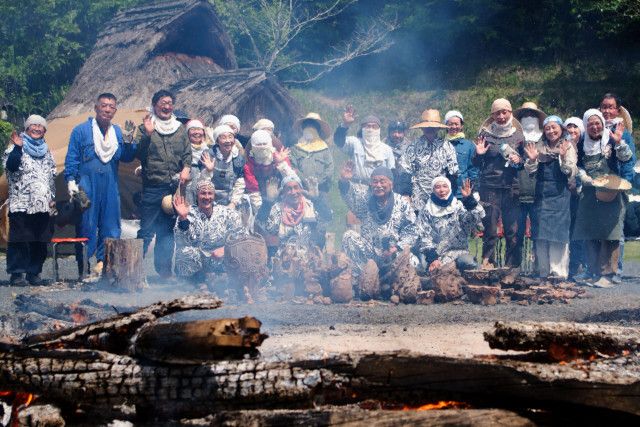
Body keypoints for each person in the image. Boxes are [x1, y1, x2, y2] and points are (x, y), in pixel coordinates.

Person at [65, 93, 138, 275]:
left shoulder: (118, 133)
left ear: (115, 110)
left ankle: (106, 268)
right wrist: (70, 181)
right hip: (85, 185)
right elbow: (72, 157)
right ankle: (84, 269)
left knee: (111, 225)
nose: (107, 109)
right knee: (85, 224)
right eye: (104, 105)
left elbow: (127, 157)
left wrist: (129, 141)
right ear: (96, 107)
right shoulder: (81, 130)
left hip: (110, 185)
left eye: (111, 106)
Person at [573, 109, 634, 287]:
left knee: (610, 234)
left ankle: (609, 274)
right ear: (586, 125)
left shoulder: (613, 139)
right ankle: (593, 272)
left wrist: (618, 142)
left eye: (597, 122)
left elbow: (626, 159)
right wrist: (583, 176)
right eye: (590, 123)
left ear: (602, 123)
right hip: (590, 192)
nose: (594, 126)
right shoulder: (581, 143)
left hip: (612, 191)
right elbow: (577, 165)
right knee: (591, 233)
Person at [134, 89, 191, 278]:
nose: (166, 106)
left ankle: (164, 271)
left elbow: (187, 154)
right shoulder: (146, 127)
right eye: (162, 102)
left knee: (166, 231)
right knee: (147, 229)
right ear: (155, 105)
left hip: (172, 188)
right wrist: (148, 135)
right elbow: (138, 154)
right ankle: (133, 271)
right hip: (152, 186)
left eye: (169, 103)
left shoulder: (179, 128)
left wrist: (186, 167)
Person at [3, 115, 56, 285]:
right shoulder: (15, 148)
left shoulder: (47, 151)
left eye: (41, 126)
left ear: (45, 131)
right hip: (22, 203)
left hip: (43, 204)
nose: (37, 128)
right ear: (26, 128)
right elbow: (11, 167)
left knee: (39, 240)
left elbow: (51, 177)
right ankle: (17, 274)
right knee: (20, 239)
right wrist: (18, 148)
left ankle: (34, 273)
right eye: (33, 125)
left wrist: (52, 198)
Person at [523, 116, 577, 279]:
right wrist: (532, 160)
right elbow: (530, 171)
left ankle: (558, 273)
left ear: (561, 129)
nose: (551, 131)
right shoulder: (539, 147)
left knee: (558, 236)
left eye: (554, 127)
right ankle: (543, 272)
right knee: (540, 235)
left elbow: (570, 172)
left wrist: (561, 157)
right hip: (541, 196)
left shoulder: (567, 146)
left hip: (560, 195)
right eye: (547, 128)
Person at [473, 98, 525, 268]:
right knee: (490, 230)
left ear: (510, 113)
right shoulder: (485, 135)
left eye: (505, 112)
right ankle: (488, 264)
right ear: (492, 115)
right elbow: (476, 163)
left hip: (511, 188)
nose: (501, 116)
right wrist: (479, 154)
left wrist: (519, 159)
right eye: (497, 113)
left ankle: (512, 267)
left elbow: (524, 162)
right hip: (489, 188)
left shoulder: (518, 135)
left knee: (512, 230)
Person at [339, 164, 416, 273]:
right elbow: (351, 196)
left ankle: (393, 279)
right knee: (349, 237)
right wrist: (344, 181)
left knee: (413, 262)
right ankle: (363, 276)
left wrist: (397, 248)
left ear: (391, 184)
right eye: (375, 182)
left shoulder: (401, 202)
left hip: (393, 252)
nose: (378, 185)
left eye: (382, 181)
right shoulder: (366, 198)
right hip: (370, 253)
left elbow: (411, 230)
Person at [173, 180, 243, 283]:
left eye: (210, 193)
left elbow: (241, 236)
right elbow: (181, 242)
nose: (207, 197)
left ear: (214, 195)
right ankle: (196, 281)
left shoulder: (227, 213)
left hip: (220, 258)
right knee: (185, 252)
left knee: (240, 252)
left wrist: (226, 249)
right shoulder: (188, 213)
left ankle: (223, 280)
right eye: (203, 193)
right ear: (197, 195)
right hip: (199, 260)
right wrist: (183, 219)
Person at [599, 93, 636, 283]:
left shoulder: (626, 134)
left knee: (616, 229)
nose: (607, 111)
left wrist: (618, 142)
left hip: (618, 186)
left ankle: (616, 270)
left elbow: (630, 162)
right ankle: (601, 270)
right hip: (598, 187)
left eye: (611, 107)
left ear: (617, 109)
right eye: (604, 107)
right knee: (598, 229)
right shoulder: (596, 131)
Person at [416, 177, 484, 272]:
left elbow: (476, 221)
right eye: (438, 187)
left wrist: (469, 199)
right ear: (433, 190)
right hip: (435, 255)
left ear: (450, 188)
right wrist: (433, 259)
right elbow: (423, 236)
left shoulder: (458, 206)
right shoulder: (426, 210)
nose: (442, 190)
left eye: (445, 186)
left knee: (470, 263)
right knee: (422, 268)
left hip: (458, 253)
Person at [398, 109, 459, 211]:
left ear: (438, 128)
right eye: (427, 127)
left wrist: (451, 196)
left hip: (441, 196)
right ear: (422, 128)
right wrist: (406, 194)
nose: (430, 129)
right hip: (417, 199)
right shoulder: (413, 147)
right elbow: (405, 172)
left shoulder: (447, 146)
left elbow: (453, 173)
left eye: (433, 127)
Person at [513, 102, 546, 272]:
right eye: (525, 115)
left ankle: (539, 267)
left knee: (538, 233)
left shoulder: (545, 139)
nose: (529, 118)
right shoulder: (515, 139)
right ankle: (515, 267)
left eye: (532, 114)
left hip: (539, 193)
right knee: (516, 234)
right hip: (518, 192)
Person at [289, 112, 334, 222]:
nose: (309, 128)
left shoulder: (324, 149)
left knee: (323, 217)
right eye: (307, 125)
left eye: (313, 126)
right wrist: (305, 182)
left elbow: (330, 169)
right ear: (303, 128)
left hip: (321, 190)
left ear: (318, 129)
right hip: (300, 190)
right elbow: (293, 167)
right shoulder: (295, 148)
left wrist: (316, 183)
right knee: (300, 218)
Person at [333, 106, 395, 183]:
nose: (371, 129)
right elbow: (338, 141)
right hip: (356, 186)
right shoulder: (355, 142)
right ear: (362, 129)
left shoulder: (387, 149)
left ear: (379, 130)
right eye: (368, 126)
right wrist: (345, 124)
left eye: (374, 127)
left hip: (378, 189)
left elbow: (391, 174)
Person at [264, 175, 324, 249]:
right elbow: (267, 229)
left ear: (301, 190)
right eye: (289, 189)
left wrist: (316, 199)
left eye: (296, 188)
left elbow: (327, 218)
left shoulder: (310, 206)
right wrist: (269, 202)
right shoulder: (278, 208)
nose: (293, 192)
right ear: (284, 193)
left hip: (308, 255)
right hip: (283, 256)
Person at [199, 125, 246, 208]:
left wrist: (233, 203)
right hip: (209, 201)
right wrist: (208, 171)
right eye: (223, 138)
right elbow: (202, 183)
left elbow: (240, 184)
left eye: (230, 137)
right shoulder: (208, 155)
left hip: (229, 200)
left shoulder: (238, 159)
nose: (228, 141)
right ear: (217, 141)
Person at [564, 116, 588, 279]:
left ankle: (584, 266)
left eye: (575, 128)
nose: (572, 131)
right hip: (567, 195)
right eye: (569, 128)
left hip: (585, 195)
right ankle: (572, 267)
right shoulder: (564, 146)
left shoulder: (587, 147)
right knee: (571, 231)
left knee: (583, 231)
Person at [443, 110, 478, 199]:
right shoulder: (441, 145)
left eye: (456, 124)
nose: (453, 127)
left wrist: (474, 190)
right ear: (446, 126)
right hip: (444, 192)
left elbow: (473, 169)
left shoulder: (469, 145)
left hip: (463, 192)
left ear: (461, 126)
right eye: (450, 124)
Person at [183, 119, 208, 205]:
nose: (196, 132)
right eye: (193, 129)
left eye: (199, 129)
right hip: (186, 179)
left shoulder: (208, 149)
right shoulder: (182, 148)